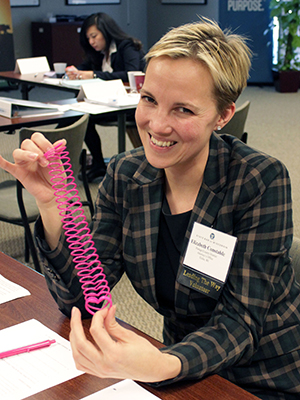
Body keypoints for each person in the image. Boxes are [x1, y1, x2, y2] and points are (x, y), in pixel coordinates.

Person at [1, 17, 300, 400]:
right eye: (149, 99)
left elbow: (241, 322)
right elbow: (82, 299)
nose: (157, 125)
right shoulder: (127, 175)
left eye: (183, 110)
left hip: (265, 374)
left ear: (223, 115)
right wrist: (50, 205)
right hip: (182, 366)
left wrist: (162, 364)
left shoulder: (259, 180)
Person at [65, 12, 145, 182]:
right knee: (78, 115)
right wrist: (75, 72)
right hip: (106, 103)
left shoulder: (126, 46)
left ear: (106, 32)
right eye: (88, 38)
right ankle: (97, 163)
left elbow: (130, 73)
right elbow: (84, 68)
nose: (91, 42)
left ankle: (96, 164)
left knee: (82, 116)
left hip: (127, 105)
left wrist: (94, 75)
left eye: (94, 36)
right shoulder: (99, 52)